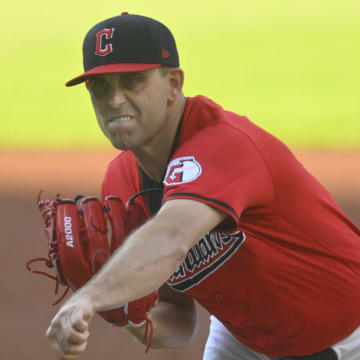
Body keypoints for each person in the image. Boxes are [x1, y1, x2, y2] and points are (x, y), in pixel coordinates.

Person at [46, 12, 360, 360]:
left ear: (173, 84)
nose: (114, 99)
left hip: (344, 333)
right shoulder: (120, 182)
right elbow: (179, 318)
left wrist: (90, 295)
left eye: (131, 81)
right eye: (101, 87)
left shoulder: (223, 144)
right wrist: (126, 313)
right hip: (247, 338)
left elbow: (171, 238)